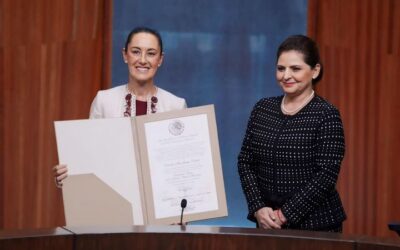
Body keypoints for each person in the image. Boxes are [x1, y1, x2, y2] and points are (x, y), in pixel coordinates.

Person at [237, 35, 346, 232]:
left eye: (295, 69)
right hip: (266, 224)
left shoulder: (326, 114)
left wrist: (284, 214)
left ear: (315, 71)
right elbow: (246, 162)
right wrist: (258, 208)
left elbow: (326, 175)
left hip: (317, 227)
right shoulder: (262, 109)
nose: (286, 75)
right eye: (281, 68)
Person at [54, 26, 187, 187]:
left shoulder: (176, 105)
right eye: (136, 51)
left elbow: (183, 165)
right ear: (125, 55)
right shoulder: (104, 100)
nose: (143, 60)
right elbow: (89, 154)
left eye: (151, 53)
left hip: (161, 201)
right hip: (113, 198)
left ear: (160, 59)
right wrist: (69, 176)